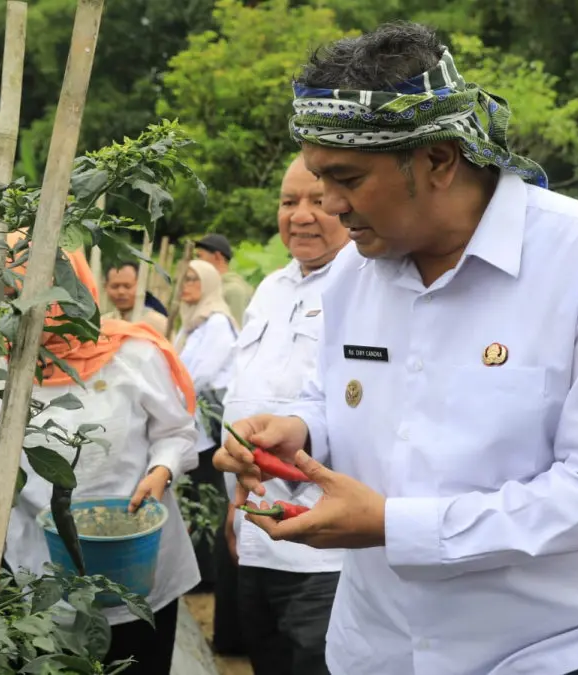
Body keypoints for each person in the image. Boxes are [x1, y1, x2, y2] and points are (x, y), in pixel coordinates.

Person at [214, 21, 578, 675]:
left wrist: (395, 523)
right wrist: (298, 430)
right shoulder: (355, 273)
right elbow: (343, 400)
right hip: (382, 646)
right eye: (318, 178)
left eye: (347, 178)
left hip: (567, 646)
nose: (329, 205)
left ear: (439, 160)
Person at [2, 233, 201, 675]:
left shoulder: (133, 353)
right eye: (18, 292)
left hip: (139, 559)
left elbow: (178, 431)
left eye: (55, 289)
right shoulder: (0, 369)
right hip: (41, 565)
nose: (43, 307)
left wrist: (162, 469)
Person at [220, 154, 350, 675]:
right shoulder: (271, 289)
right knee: (266, 659)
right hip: (257, 529)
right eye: (288, 201)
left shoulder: (366, 283)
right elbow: (245, 397)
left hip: (325, 547)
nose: (300, 215)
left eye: (317, 201)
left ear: (346, 203)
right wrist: (236, 504)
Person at [175, 259, 239, 590]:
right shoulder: (192, 323)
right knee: (196, 497)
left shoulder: (216, 323)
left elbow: (200, 375)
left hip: (208, 429)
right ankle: (201, 571)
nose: (185, 285)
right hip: (192, 425)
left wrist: (170, 395)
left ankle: (208, 576)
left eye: (193, 279)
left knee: (208, 500)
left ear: (210, 284)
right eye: (184, 278)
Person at [193, 233, 253, 325]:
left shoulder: (233, 290)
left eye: (200, 256)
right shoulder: (215, 288)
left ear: (217, 256)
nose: (197, 261)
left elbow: (237, 331)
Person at [103, 262, 169, 334]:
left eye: (127, 286)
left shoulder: (157, 323)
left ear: (141, 286)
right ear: (105, 287)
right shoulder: (103, 322)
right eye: (115, 286)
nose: (121, 292)